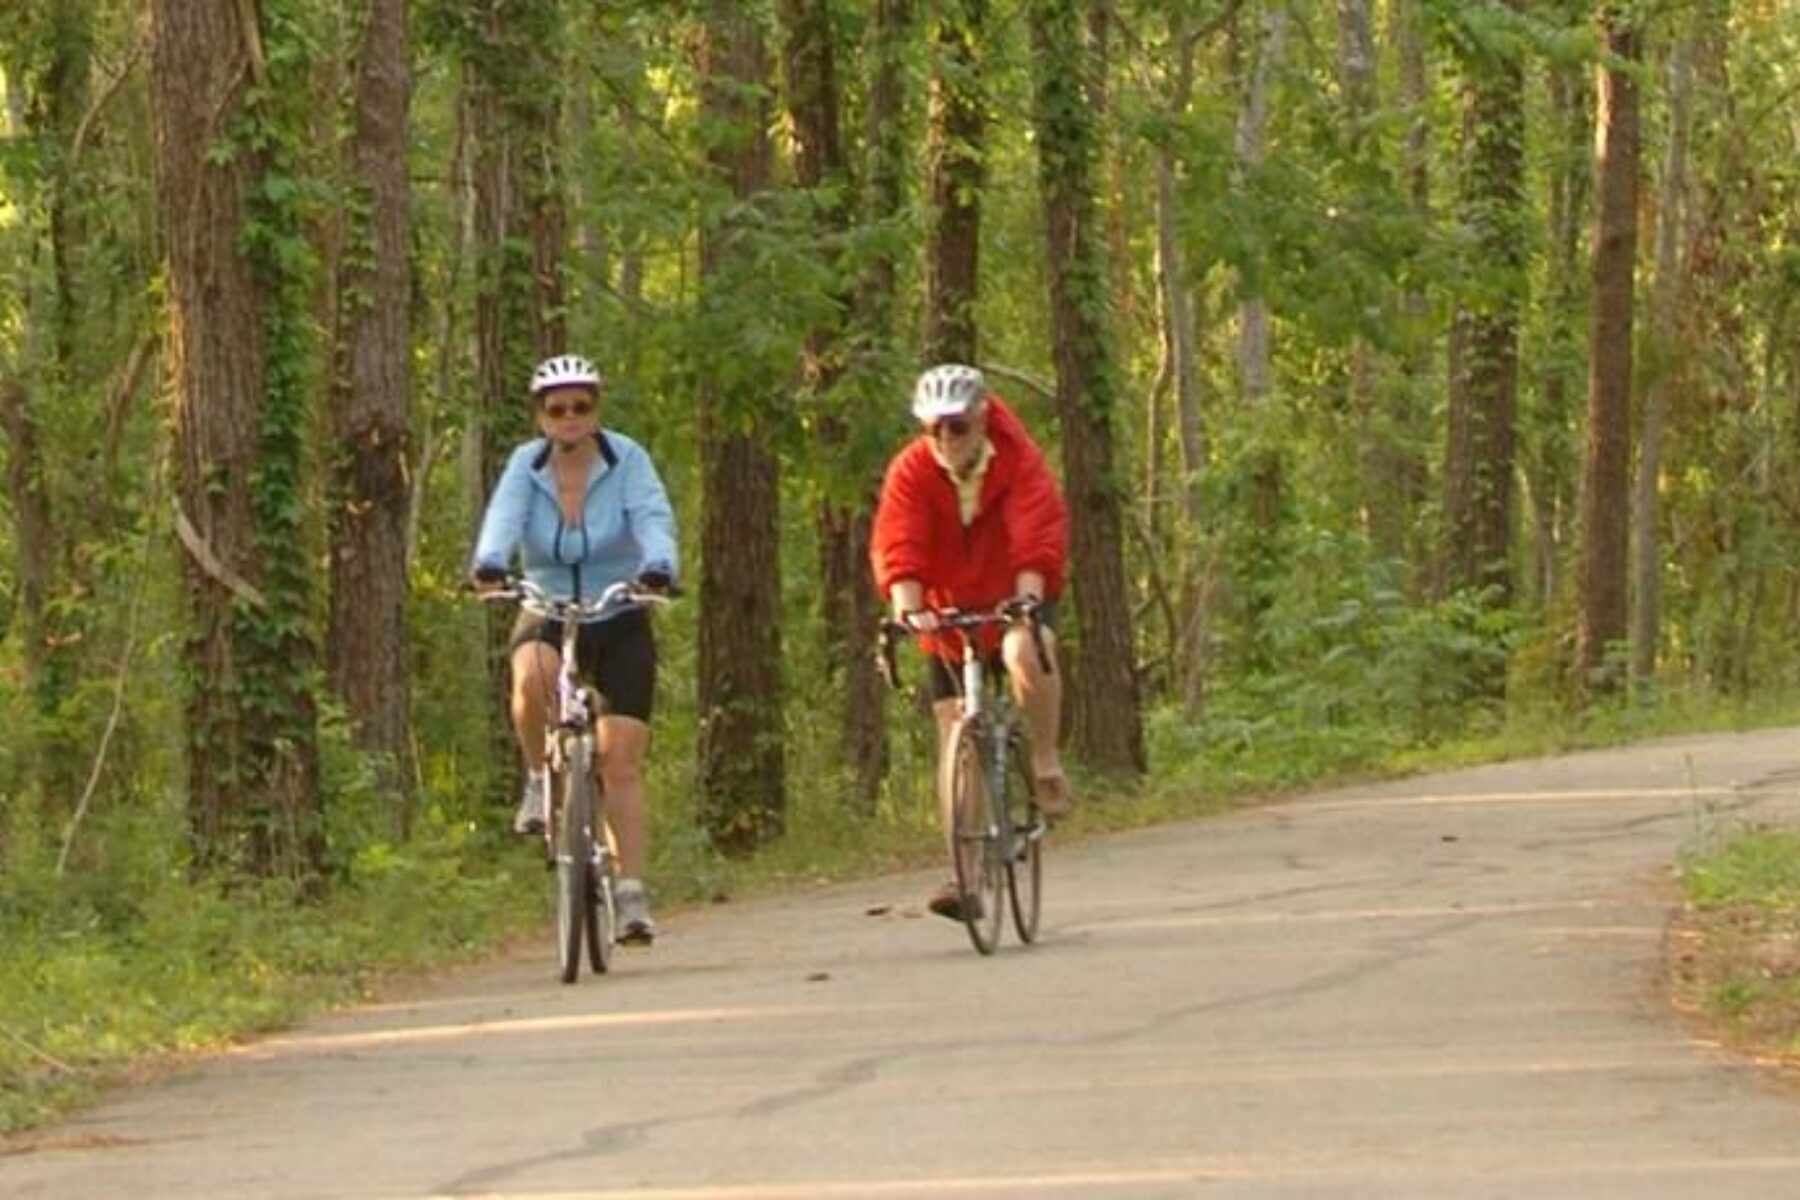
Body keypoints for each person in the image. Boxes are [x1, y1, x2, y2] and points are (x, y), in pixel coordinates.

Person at [470, 353, 678, 944]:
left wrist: (659, 567)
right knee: (532, 674)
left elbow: (653, 516)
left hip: (620, 606)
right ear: (540, 416)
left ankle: (631, 892)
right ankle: (539, 778)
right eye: (556, 408)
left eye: (580, 406)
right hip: (549, 601)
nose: (569, 417)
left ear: (596, 411)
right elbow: (503, 518)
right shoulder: (525, 466)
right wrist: (488, 563)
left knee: (621, 759)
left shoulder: (626, 459)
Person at [870, 362, 1072, 922]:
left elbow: (1037, 527)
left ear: (982, 417)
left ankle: (1046, 761)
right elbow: (898, 540)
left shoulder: (1017, 457)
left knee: (1023, 651)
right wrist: (907, 609)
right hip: (948, 610)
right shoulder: (912, 470)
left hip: (1012, 593)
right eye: (933, 427)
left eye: (956, 426)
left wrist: (1028, 597)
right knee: (956, 725)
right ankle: (964, 872)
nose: (945, 439)